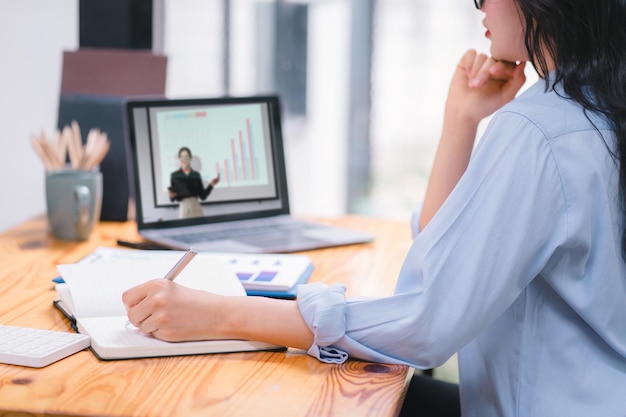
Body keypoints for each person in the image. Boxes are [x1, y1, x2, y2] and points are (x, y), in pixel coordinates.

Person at [123, 0, 626, 415]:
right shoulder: (599, 109)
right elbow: (452, 256)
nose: (477, 5)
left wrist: (217, 314)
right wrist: (461, 119)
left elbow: (426, 322)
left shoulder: (538, 128)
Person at [168, 146, 220, 219]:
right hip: (183, 208)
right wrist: (171, 196)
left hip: (196, 207)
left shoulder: (196, 175)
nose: (184, 158)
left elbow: (203, 196)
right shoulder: (174, 175)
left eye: (187, 156)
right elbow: (172, 198)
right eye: (182, 156)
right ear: (179, 158)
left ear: (190, 158)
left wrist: (211, 185)